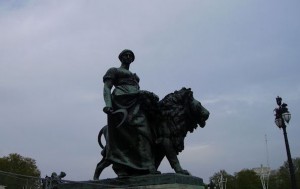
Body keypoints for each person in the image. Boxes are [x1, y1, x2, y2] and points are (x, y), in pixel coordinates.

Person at [102, 49, 159, 176]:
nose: (128, 57)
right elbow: (107, 87)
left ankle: (144, 165)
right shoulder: (114, 70)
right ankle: (121, 167)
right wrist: (108, 104)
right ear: (120, 58)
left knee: (145, 132)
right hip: (120, 104)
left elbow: (135, 90)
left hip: (136, 104)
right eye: (125, 55)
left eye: (130, 56)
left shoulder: (135, 76)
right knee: (122, 136)